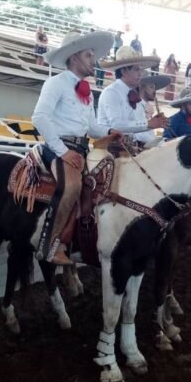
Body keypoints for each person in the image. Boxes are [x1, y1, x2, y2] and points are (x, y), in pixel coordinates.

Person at [31, 30, 120, 265]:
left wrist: (111, 133)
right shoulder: (56, 83)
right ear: (74, 57)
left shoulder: (86, 93)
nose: (94, 61)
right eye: (89, 55)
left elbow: (92, 127)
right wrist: (63, 151)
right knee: (71, 187)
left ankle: (83, 240)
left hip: (81, 149)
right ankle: (49, 245)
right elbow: (39, 117)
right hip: (59, 147)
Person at [98, 46, 168, 147]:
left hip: (129, 148)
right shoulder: (111, 93)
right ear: (123, 71)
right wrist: (148, 124)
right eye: (136, 70)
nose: (140, 74)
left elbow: (137, 128)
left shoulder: (134, 96)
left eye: (140, 70)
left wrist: (154, 123)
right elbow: (116, 125)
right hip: (110, 147)